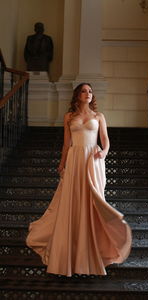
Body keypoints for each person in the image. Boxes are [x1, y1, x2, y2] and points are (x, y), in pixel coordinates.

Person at [26, 83, 132, 276]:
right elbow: (67, 143)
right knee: (72, 203)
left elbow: (105, 139)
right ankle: (70, 254)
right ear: (77, 95)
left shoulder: (99, 117)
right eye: (84, 91)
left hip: (92, 160)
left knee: (92, 202)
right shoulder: (69, 117)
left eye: (91, 91)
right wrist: (62, 163)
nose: (88, 94)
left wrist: (105, 152)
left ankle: (94, 250)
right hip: (75, 160)